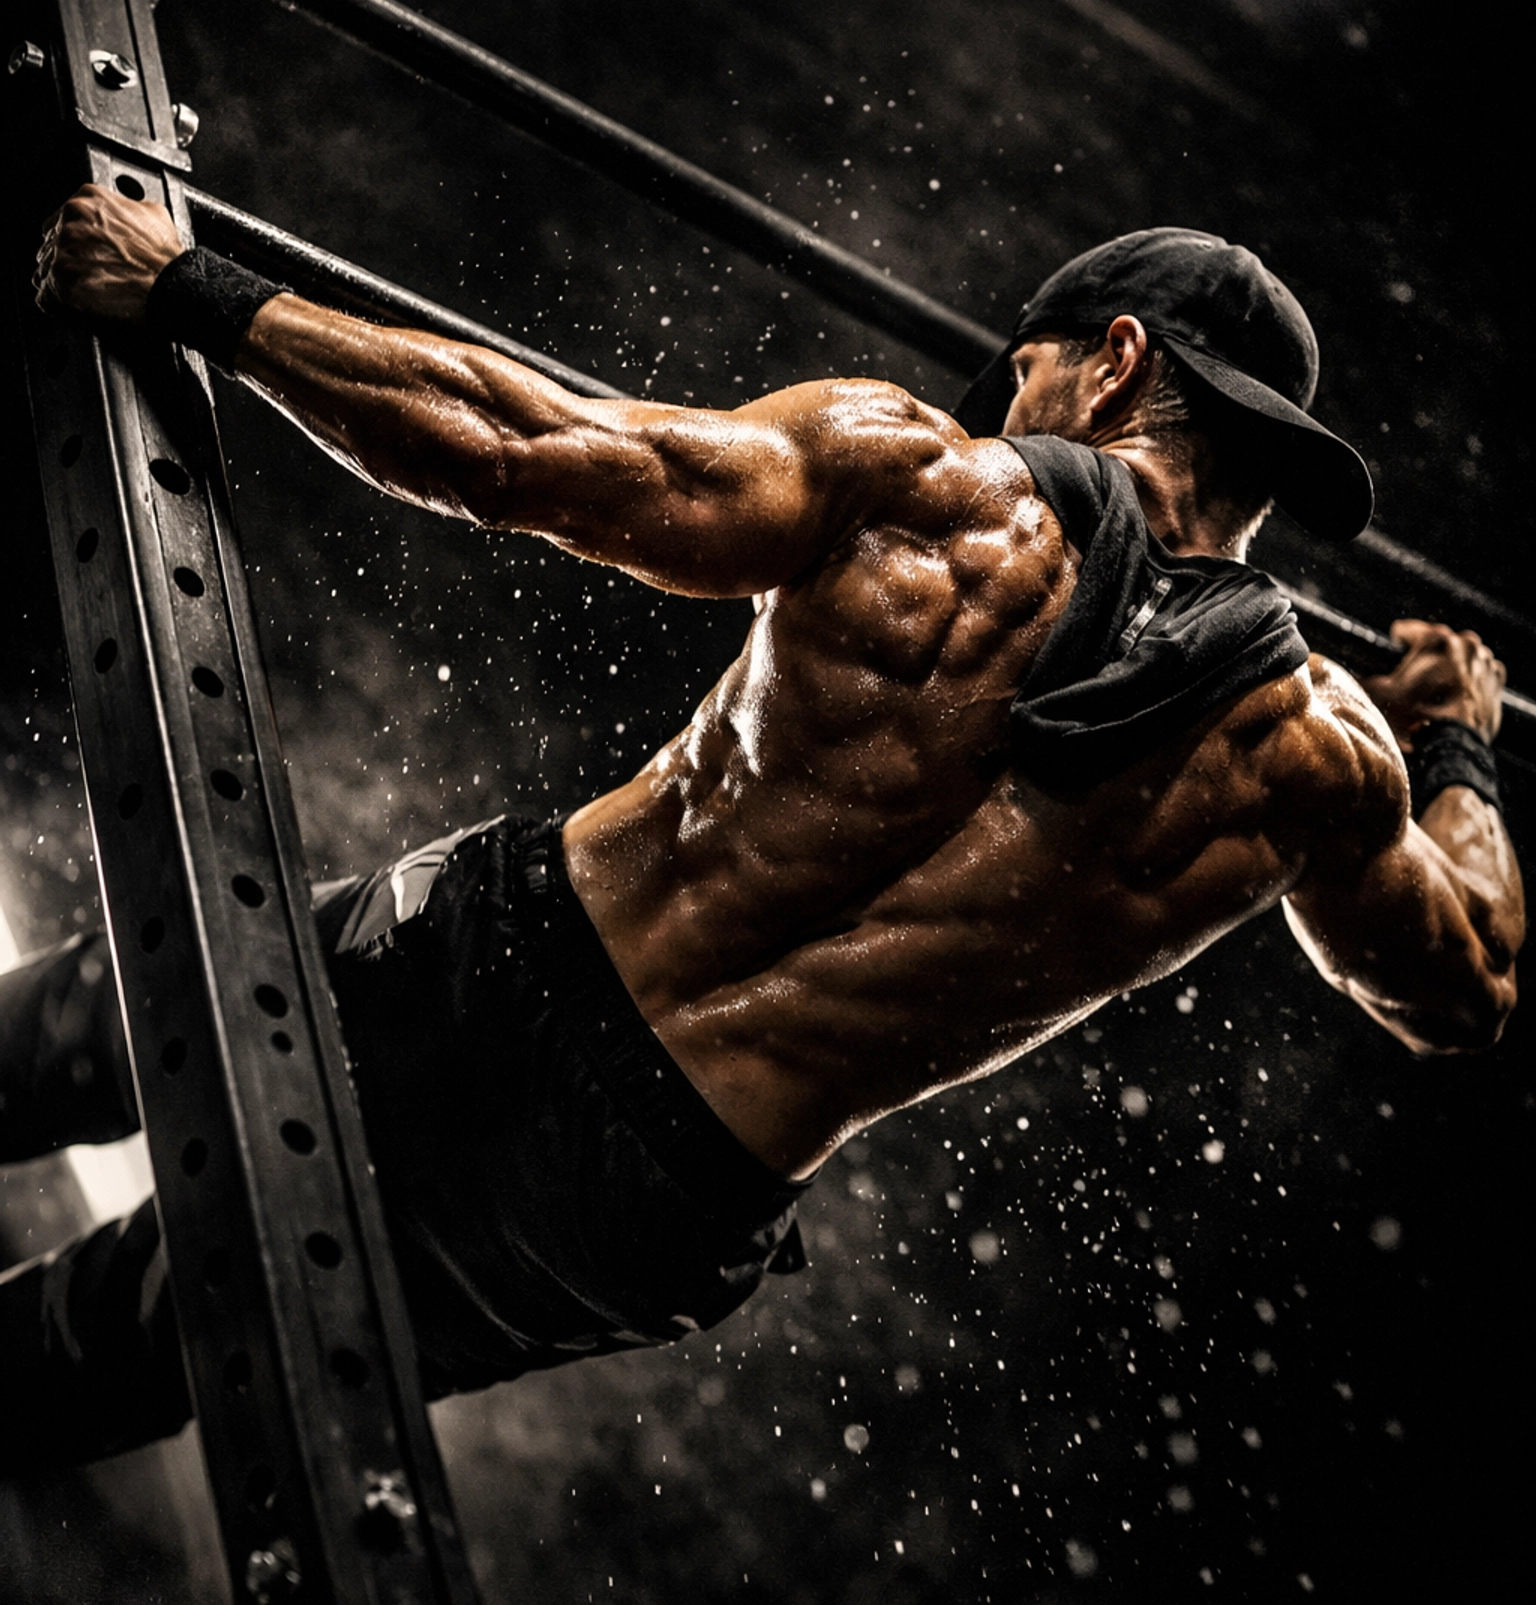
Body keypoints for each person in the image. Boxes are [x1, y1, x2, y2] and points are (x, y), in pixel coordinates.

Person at [1, 195, 1522, 1471]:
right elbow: (1468, 981)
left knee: (82, 1027)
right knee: (131, 1338)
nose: (1002, 401)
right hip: (654, 1203)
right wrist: (1456, 737)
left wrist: (194, 289)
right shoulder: (1318, 764)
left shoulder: (935, 485)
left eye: (1024, 368)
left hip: (517, 958)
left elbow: (517, 449)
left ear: (1113, 361)